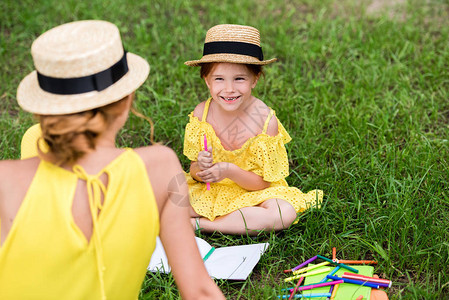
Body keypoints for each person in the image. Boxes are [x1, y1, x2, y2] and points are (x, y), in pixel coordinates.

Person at [0, 20, 225, 300]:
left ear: (43, 109)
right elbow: (201, 293)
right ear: (127, 99)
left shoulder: (4, 183)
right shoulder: (162, 169)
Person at [183, 24, 324, 235]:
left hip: (254, 193)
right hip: (211, 190)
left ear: (255, 80)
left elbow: (262, 184)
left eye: (239, 78)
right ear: (207, 81)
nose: (229, 88)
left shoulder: (265, 121)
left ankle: (201, 224)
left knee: (283, 212)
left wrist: (228, 170)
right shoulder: (201, 114)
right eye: (219, 79)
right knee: (161, 198)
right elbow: (194, 171)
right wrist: (201, 169)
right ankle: (229, 220)